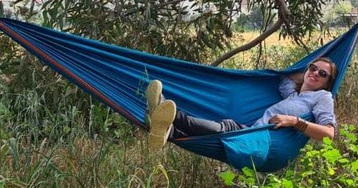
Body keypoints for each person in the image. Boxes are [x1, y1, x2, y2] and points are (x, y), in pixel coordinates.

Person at [145, 57, 339, 149]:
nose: (315, 73)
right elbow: (284, 78)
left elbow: (329, 134)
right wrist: (301, 69)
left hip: (260, 141)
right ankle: (169, 131)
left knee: (225, 130)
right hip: (251, 130)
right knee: (227, 126)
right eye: (313, 68)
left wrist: (295, 121)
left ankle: (166, 109)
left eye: (322, 74)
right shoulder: (293, 94)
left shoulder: (322, 97)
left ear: (328, 82)